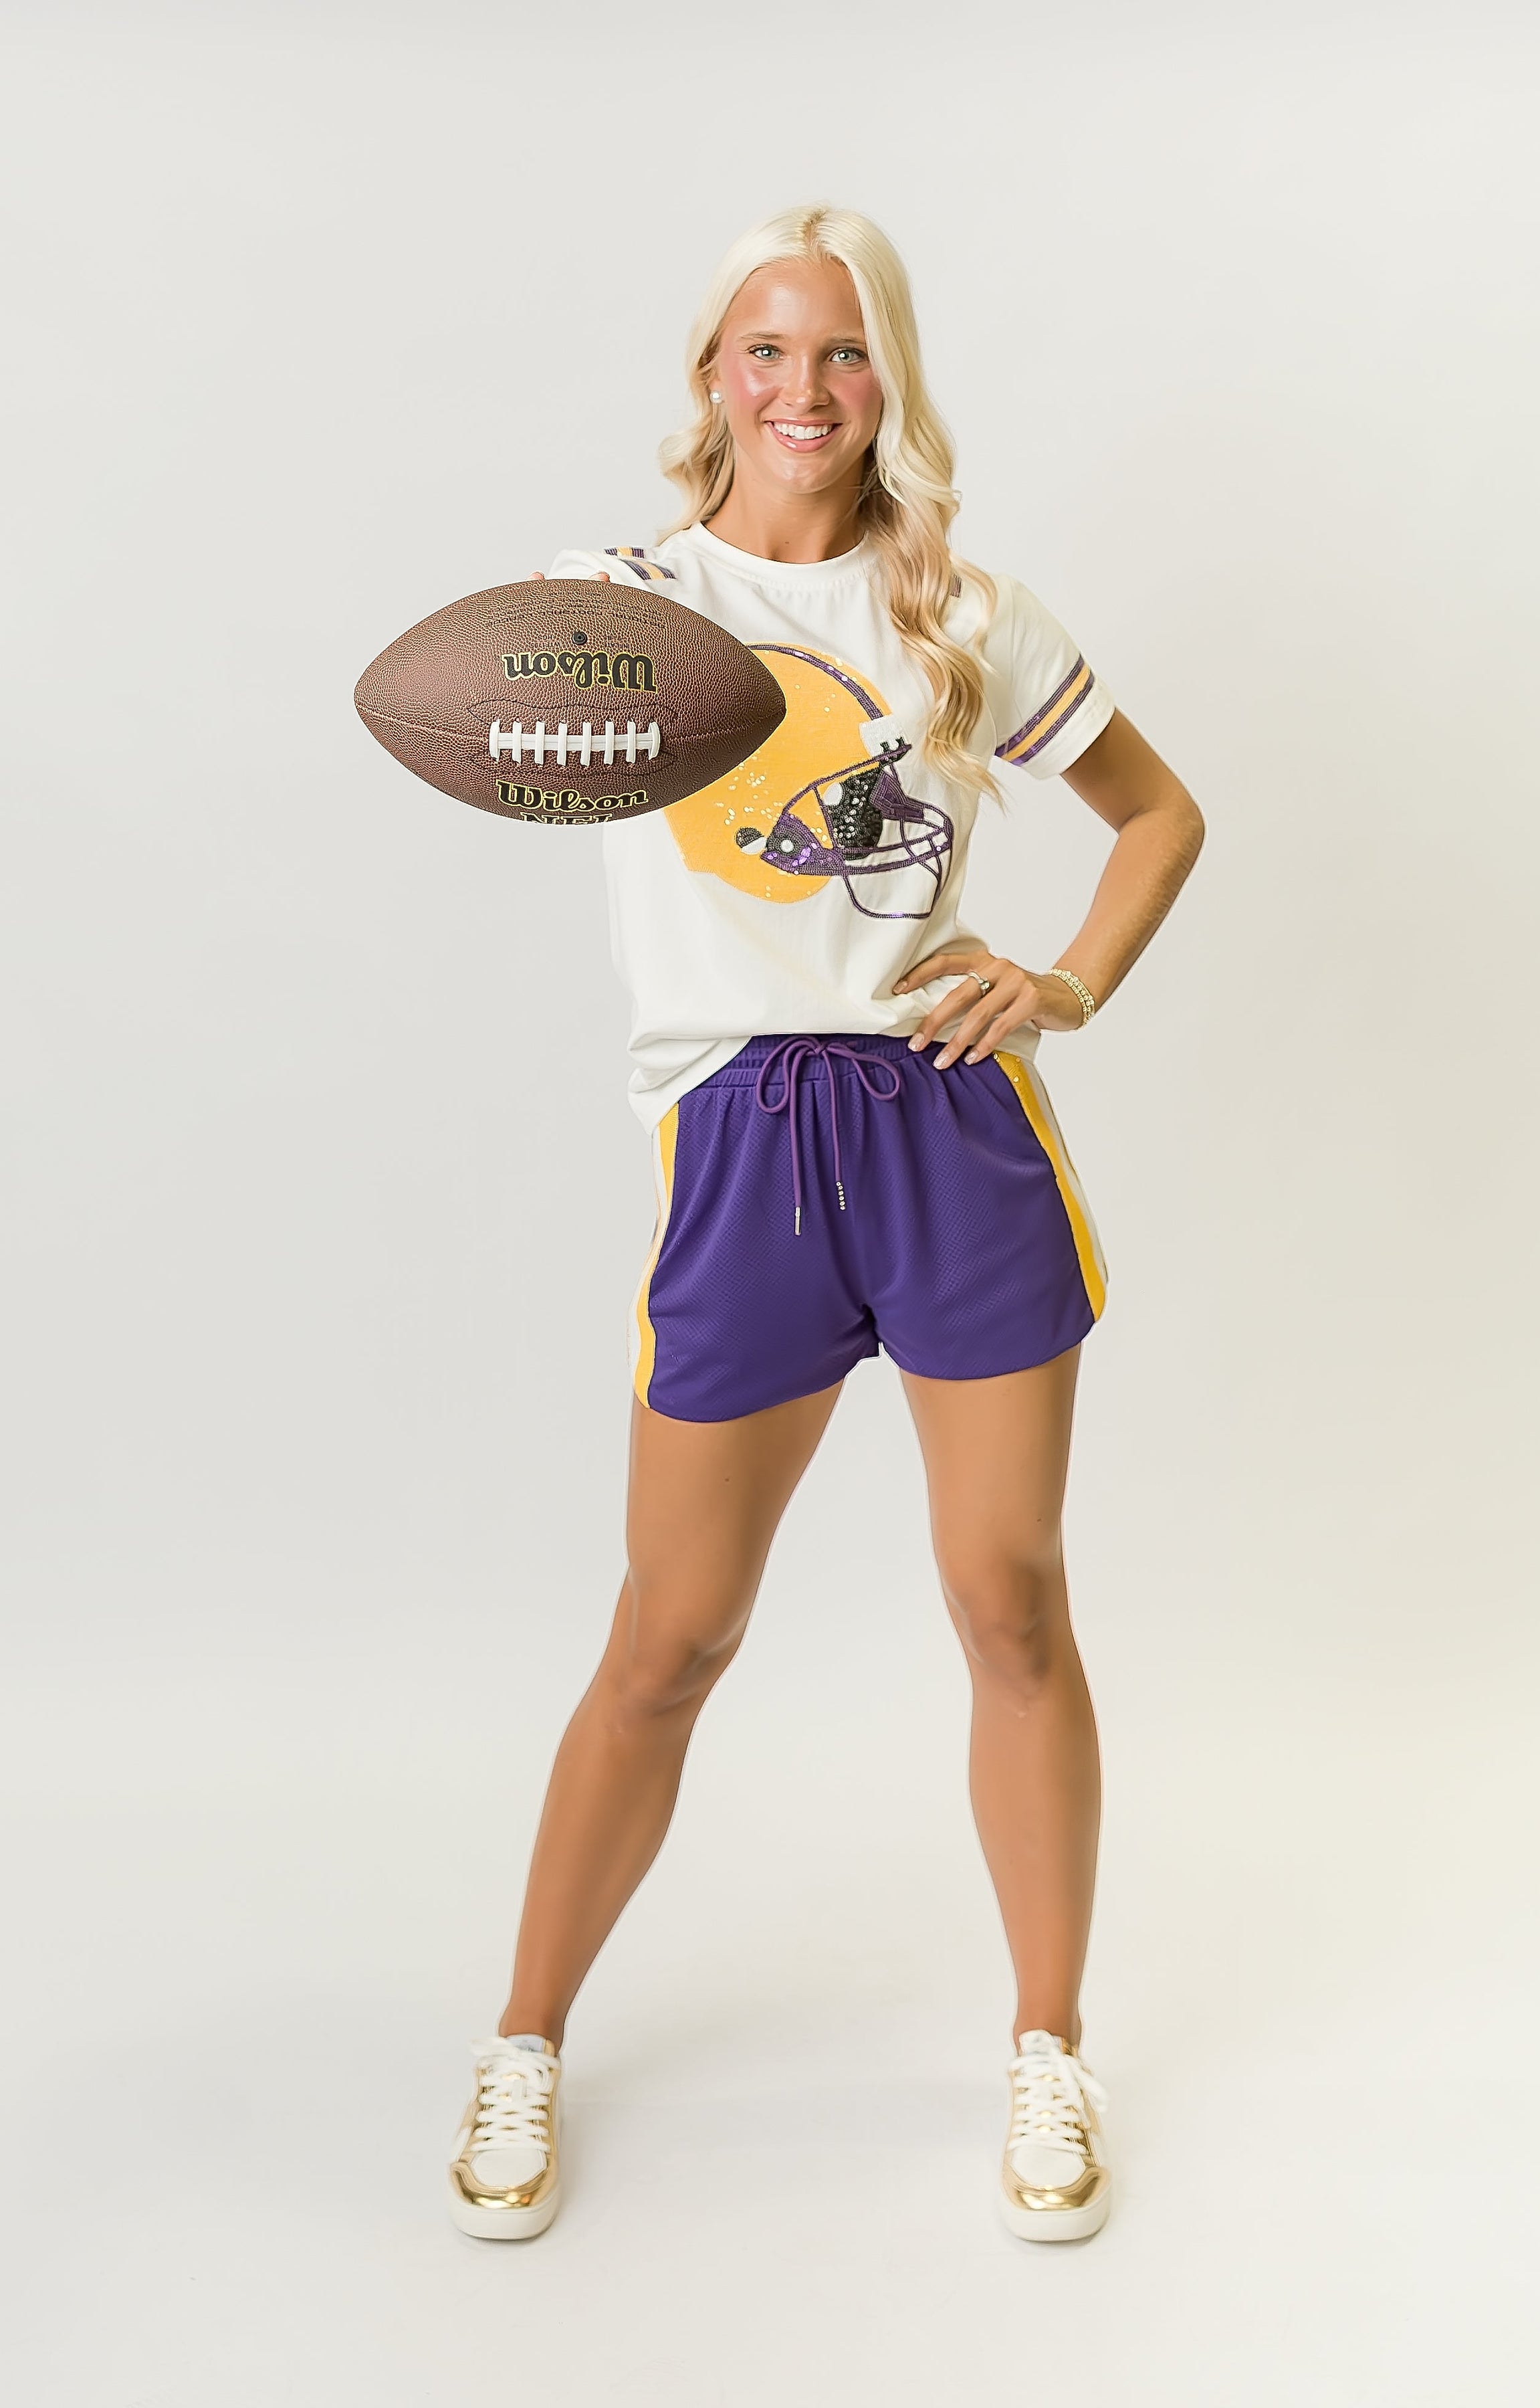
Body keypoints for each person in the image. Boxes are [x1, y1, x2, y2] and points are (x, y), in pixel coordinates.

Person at [445, 204, 1204, 2247]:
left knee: (1010, 1601)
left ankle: (1048, 2046)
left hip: (950, 1125)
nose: (807, 387)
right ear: (712, 374)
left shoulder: (962, 608)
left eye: (846, 350)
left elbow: (1162, 815)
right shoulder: (622, 609)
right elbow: (483, 732)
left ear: (892, 382)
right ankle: (525, 2036)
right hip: (740, 1144)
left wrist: (1063, 979)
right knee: (671, 1636)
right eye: (767, 348)